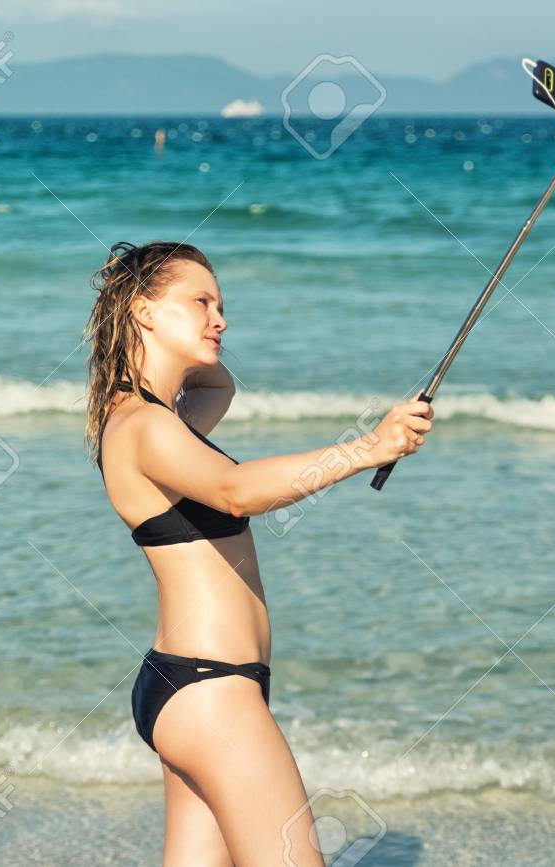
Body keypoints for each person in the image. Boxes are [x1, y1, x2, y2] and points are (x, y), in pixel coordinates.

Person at [83, 240, 434, 865]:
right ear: (144, 310)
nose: (220, 319)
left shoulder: (156, 417)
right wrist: (370, 448)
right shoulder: (146, 425)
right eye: (201, 302)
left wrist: (172, 338)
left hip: (191, 686)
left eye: (221, 305)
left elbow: (219, 383)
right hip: (212, 691)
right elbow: (236, 491)